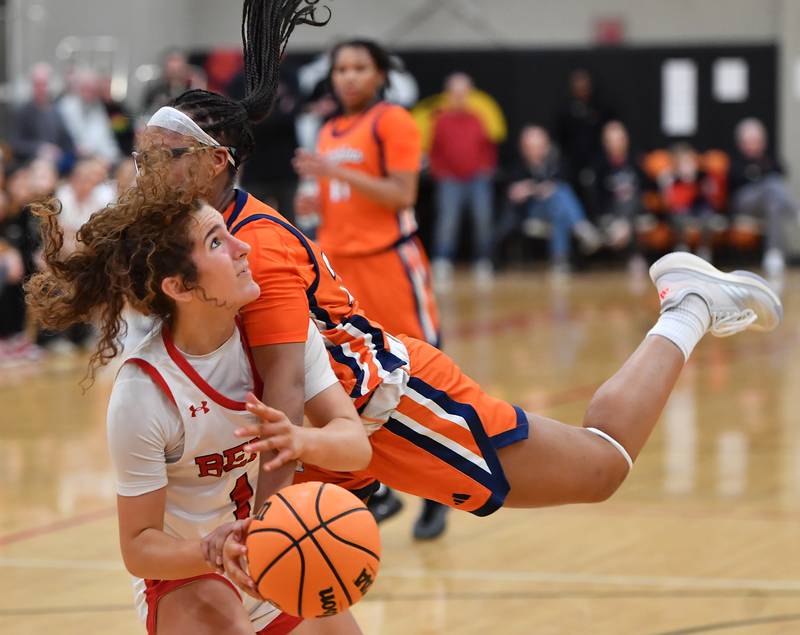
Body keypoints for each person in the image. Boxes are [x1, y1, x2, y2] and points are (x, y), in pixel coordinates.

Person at [134, 0, 781, 598]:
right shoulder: (189, 235)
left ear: (216, 161)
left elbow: (283, 385)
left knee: (601, 467)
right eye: (143, 156)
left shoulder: (257, 248)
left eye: (163, 156)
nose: (146, 170)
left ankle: (686, 306)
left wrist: (265, 517)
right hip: (336, 424)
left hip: (394, 406)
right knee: (298, 596)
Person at [25, 187, 369, 635]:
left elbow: (354, 446)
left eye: (228, 232)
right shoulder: (146, 392)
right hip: (186, 570)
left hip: (276, 549)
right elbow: (138, 547)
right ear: (180, 286)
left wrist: (301, 438)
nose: (242, 246)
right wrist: (210, 549)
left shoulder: (282, 333)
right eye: (216, 242)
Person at [293, 39, 448, 538]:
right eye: (341, 69)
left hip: (391, 263)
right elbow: (335, 198)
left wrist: (337, 172)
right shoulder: (327, 129)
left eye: (360, 68)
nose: (349, 77)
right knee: (353, 383)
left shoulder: (393, 121)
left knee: (424, 376)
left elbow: (402, 194)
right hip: (341, 266)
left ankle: (441, 492)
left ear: (380, 74)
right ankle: (377, 488)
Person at [427, 73, 500, 289]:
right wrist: (440, 171)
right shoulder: (441, 120)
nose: (459, 97)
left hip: (477, 177)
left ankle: (483, 261)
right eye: (455, 93)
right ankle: (442, 261)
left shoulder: (477, 118)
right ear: (449, 95)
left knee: (483, 219)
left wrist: (486, 168)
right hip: (450, 179)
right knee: (447, 222)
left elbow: (488, 146)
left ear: (469, 94)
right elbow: (434, 150)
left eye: (463, 93)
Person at [506, 125, 601, 273]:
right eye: (531, 147)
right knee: (561, 193)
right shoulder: (518, 165)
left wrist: (543, 188)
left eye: (539, 146)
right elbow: (514, 194)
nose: (535, 151)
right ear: (524, 148)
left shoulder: (554, 163)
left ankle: (559, 260)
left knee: (559, 203)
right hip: (532, 211)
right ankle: (581, 228)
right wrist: (534, 189)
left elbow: (560, 181)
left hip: (553, 207)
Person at [728, 118, 797, 279]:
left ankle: (773, 253)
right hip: (744, 201)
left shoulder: (769, 158)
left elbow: (782, 171)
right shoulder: (736, 161)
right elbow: (736, 180)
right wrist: (760, 178)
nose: (753, 144)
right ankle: (796, 210)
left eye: (756, 141)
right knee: (772, 185)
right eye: (749, 141)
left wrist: (757, 175)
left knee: (773, 201)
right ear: (742, 143)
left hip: (767, 202)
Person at [592, 121, 645, 272]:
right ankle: (633, 254)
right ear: (605, 143)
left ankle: (622, 227)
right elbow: (597, 199)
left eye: (618, 140)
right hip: (612, 210)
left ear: (625, 140)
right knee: (624, 202)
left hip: (635, 208)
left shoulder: (635, 161)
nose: (615, 145)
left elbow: (645, 188)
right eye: (611, 141)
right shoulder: (599, 166)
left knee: (630, 199)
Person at [10, 63, 75, 167]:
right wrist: (40, 148)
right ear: (32, 85)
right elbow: (16, 144)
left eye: (44, 84)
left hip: (57, 164)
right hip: (30, 164)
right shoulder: (23, 111)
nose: (41, 89)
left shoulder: (56, 110)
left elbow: (67, 141)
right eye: (37, 84)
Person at [659, 144, 716, 262]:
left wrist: (697, 183)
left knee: (708, 216)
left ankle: (704, 251)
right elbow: (667, 202)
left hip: (699, 211)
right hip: (679, 213)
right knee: (678, 217)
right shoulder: (669, 177)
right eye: (683, 162)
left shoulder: (702, 176)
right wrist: (669, 182)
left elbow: (712, 196)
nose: (687, 165)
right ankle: (681, 250)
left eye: (689, 161)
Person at [57, 67, 121, 163]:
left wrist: (113, 157)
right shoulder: (65, 107)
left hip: (97, 159)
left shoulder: (100, 109)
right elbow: (65, 138)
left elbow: (106, 139)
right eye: (86, 89)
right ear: (79, 88)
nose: (89, 94)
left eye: (93, 90)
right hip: (72, 159)